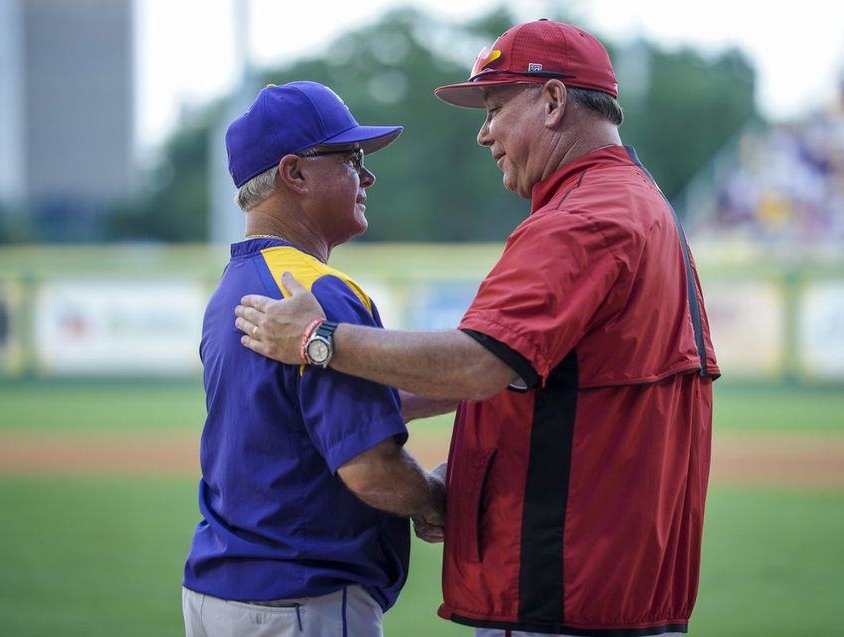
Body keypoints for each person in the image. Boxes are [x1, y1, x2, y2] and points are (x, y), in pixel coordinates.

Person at [234, 20, 720, 637]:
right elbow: (529, 373)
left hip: (564, 587)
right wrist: (352, 409)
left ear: (552, 101)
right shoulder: (633, 200)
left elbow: (477, 364)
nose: (484, 132)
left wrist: (318, 341)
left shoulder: (585, 217)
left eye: (494, 108)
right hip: (608, 578)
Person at [181, 81, 447, 637]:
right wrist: (436, 499)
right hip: (302, 600)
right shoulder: (317, 291)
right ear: (295, 174)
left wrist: (476, 383)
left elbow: (321, 410)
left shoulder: (233, 287)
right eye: (351, 158)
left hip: (219, 592)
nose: (368, 177)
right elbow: (372, 471)